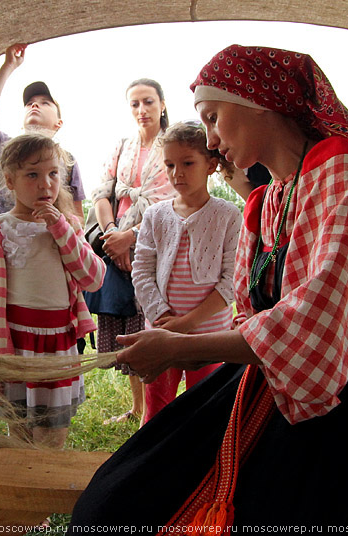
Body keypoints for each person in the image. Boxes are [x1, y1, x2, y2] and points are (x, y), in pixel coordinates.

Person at [69, 45, 348, 531]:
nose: (211, 142)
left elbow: (314, 324)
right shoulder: (268, 200)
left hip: (334, 399)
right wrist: (180, 347)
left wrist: (181, 345)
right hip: (274, 377)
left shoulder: (343, 169)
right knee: (114, 496)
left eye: (213, 117)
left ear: (260, 101)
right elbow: (252, 317)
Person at [0, 133, 105, 449]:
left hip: (57, 346)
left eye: (53, 174)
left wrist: (61, 230)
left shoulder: (67, 224)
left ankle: (47, 484)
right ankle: (19, 491)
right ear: (10, 180)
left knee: (52, 436)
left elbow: (94, 278)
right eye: (33, 174)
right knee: (19, 436)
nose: (46, 184)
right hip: (14, 347)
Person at [132, 122, 241, 424]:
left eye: (187, 163)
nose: (176, 173)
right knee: (157, 407)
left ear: (211, 164)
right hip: (161, 331)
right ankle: (150, 461)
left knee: (206, 410)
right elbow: (141, 271)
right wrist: (162, 316)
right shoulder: (155, 215)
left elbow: (231, 281)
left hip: (210, 335)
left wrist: (187, 324)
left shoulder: (229, 216)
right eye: (169, 164)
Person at [87, 78, 176, 424]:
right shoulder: (122, 145)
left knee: (148, 319)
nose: (142, 110)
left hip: (156, 239)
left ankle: (156, 408)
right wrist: (112, 234)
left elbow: (173, 203)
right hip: (115, 239)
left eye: (149, 102)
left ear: (162, 105)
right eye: (135, 104)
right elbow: (101, 192)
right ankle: (138, 406)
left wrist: (132, 238)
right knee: (126, 318)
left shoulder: (172, 145)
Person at [0, 43, 86, 221]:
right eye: (29, 103)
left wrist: (62, 233)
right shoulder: (6, 149)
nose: (34, 105)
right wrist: (8, 66)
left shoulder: (68, 161)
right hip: (1, 246)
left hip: (46, 245)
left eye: (45, 103)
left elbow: (77, 217)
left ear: (58, 123)